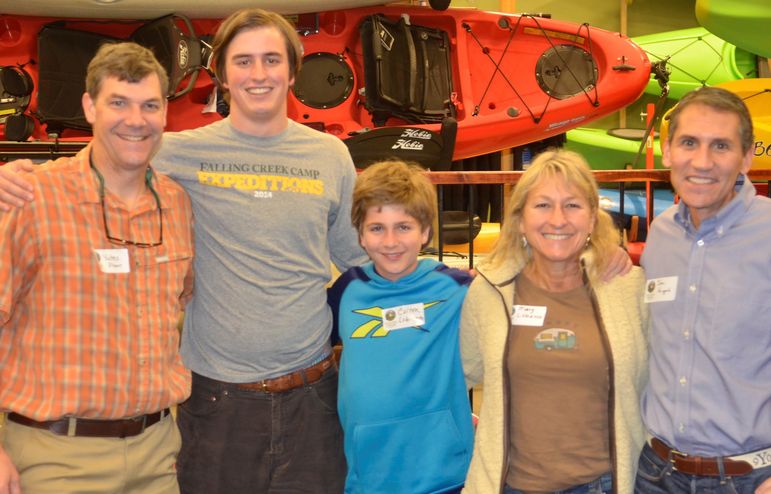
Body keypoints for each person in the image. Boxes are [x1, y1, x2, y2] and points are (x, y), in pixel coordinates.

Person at [0, 42, 194, 494]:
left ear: (165, 112)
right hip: (56, 457)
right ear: (89, 106)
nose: (135, 120)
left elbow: (181, 307)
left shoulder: (177, 204)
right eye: (118, 103)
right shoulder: (32, 198)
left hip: (158, 453)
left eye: (149, 105)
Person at [460, 149, 648, 494]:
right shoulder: (488, 292)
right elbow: (456, 375)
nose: (558, 219)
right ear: (519, 219)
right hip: (510, 485)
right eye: (543, 205)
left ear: (592, 218)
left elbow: (662, 382)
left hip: (605, 484)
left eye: (573, 205)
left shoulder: (628, 288)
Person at [635, 86, 771, 494]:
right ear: (668, 151)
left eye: (721, 146)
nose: (703, 162)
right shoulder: (660, 236)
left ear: (747, 157)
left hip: (749, 479)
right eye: (689, 143)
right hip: (656, 473)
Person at [328, 160, 474, 494]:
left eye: (404, 227)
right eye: (377, 228)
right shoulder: (347, 291)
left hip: (444, 475)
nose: (391, 241)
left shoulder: (457, 289)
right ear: (361, 235)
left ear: (425, 232)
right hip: (369, 475)